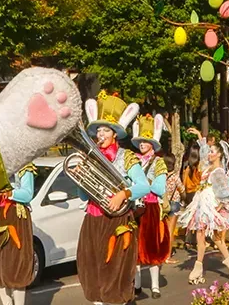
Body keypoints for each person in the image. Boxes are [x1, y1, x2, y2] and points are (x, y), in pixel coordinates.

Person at [77, 92, 150, 305]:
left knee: (114, 270)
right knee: (91, 268)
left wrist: (123, 194)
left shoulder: (126, 157)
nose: (100, 134)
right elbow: (83, 195)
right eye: (98, 130)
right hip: (93, 219)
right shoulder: (91, 156)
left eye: (105, 130)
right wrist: (81, 177)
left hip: (117, 219)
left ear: (115, 134)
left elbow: (144, 186)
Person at [177, 140, 229, 284]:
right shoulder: (208, 167)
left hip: (211, 206)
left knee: (208, 236)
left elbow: (227, 193)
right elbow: (203, 155)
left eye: (212, 152)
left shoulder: (218, 172)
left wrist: (219, 208)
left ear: (219, 154)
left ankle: (202, 266)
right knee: (206, 235)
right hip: (202, 204)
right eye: (209, 151)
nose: (209, 154)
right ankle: (225, 263)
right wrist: (200, 139)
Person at [0, 163, 38, 305]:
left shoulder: (24, 164)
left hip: (16, 217)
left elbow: (27, 194)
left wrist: (8, 193)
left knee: (16, 265)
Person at [131, 114, 170, 299]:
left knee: (152, 249)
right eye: (140, 142)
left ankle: (155, 286)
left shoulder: (158, 162)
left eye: (145, 141)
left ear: (152, 144)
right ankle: (137, 285)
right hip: (135, 208)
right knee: (135, 248)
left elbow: (160, 188)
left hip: (152, 208)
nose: (142, 144)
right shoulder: (134, 161)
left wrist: (144, 181)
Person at [162, 153, 182, 264]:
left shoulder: (160, 176)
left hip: (163, 203)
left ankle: (161, 252)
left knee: (162, 229)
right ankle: (168, 256)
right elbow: (181, 188)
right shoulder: (175, 176)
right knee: (170, 231)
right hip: (174, 203)